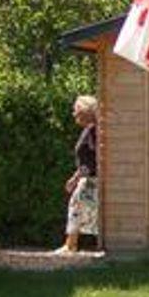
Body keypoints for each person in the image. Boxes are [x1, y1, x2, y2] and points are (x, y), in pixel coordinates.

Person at [56, 93, 100, 255]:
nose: (74, 113)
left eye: (76, 110)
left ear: (85, 112)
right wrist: (75, 177)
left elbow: (92, 159)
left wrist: (77, 178)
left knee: (77, 208)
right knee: (79, 208)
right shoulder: (90, 130)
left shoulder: (93, 131)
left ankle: (70, 246)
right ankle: (71, 245)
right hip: (88, 178)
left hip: (92, 179)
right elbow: (86, 160)